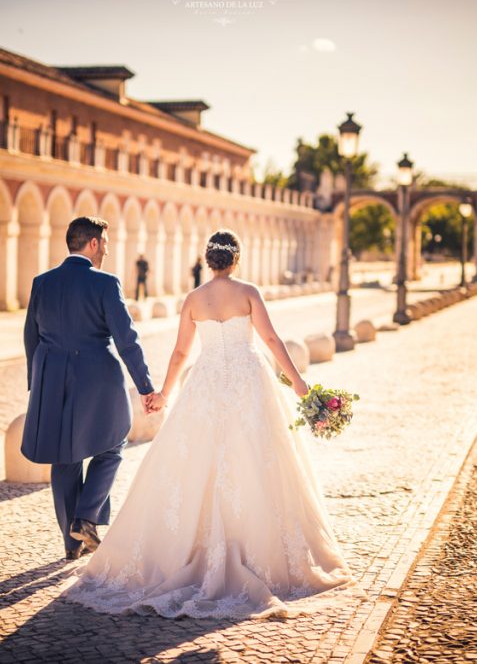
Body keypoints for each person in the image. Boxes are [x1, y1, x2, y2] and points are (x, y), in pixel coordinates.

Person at [62, 230, 356, 619]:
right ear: (236, 259)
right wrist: (300, 386)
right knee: (257, 461)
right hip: (250, 384)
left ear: (208, 261)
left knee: (193, 465)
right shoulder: (249, 291)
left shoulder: (194, 299)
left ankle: (186, 550)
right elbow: (270, 339)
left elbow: (182, 350)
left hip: (205, 384)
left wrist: (163, 393)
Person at [22, 216, 165, 561]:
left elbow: (31, 335)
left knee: (65, 457)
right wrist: (145, 385)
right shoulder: (105, 283)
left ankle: (72, 543)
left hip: (52, 378)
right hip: (99, 378)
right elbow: (126, 339)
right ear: (94, 244)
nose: (108, 250)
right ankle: (85, 518)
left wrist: (36, 383)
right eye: (106, 242)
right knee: (114, 443)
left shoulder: (42, 282)